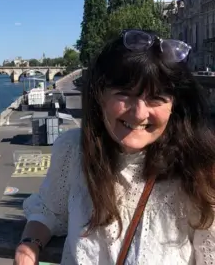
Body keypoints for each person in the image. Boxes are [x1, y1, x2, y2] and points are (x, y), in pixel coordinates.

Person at [14, 29, 215, 264]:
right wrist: (29, 245)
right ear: (100, 96)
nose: (139, 114)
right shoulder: (73, 151)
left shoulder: (200, 173)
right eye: (125, 95)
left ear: (174, 105)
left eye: (156, 98)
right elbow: (49, 210)